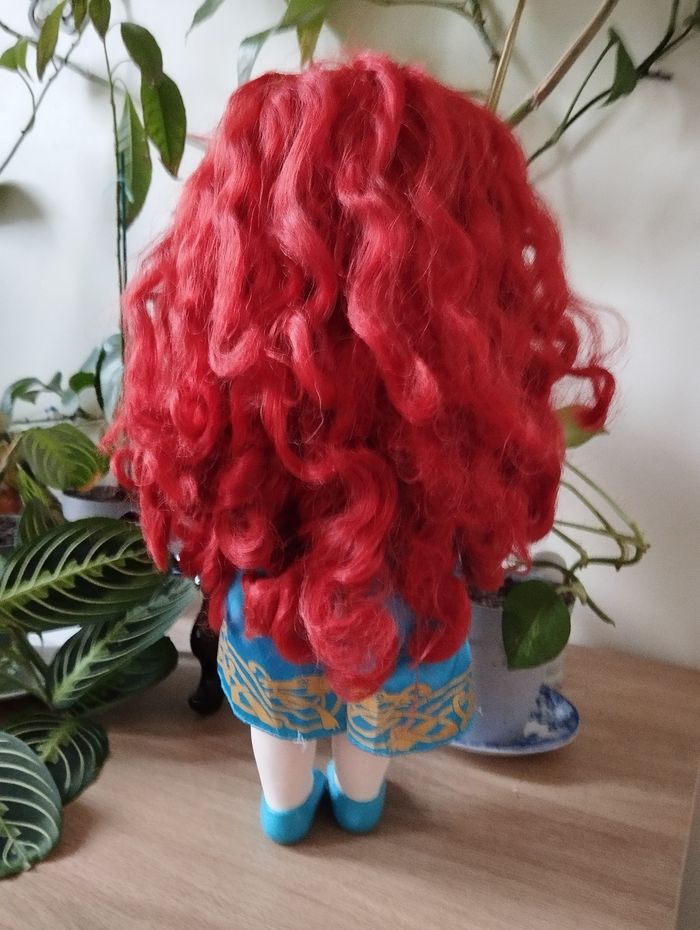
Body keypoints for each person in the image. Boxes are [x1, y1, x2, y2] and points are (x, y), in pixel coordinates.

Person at [107, 54, 613, 844]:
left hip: (277, 573)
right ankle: (358, 796)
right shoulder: (440, 406)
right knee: (384, 667)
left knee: (283, 664)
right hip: (399, 577)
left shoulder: (249, 383)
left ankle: (285, 804)